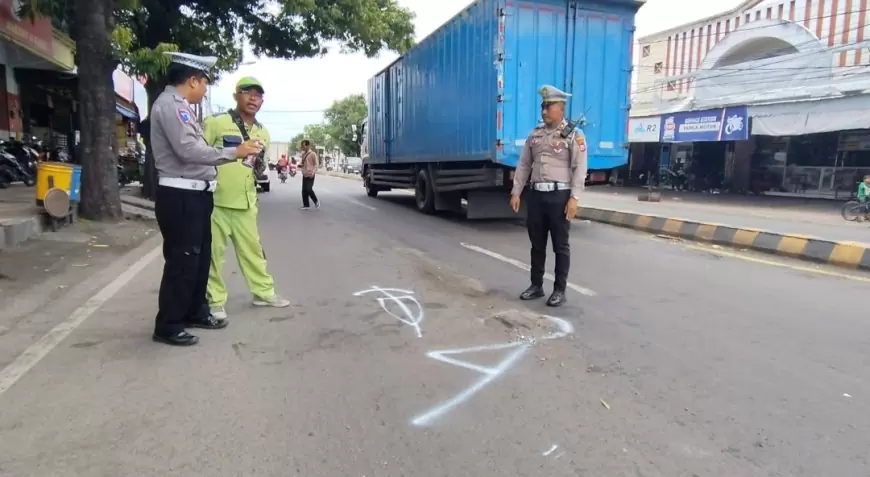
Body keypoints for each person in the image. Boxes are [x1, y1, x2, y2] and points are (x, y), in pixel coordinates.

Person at [150, 52, 264, 346]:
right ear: (192, 80)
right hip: (180, 194)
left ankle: (194, 311)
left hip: (196, 194)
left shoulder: (183, 108)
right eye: (204, 82)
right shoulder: (172, 108)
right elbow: (188, 151)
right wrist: (233, 152)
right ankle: (169, 323)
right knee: (183, 261)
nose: (205, 88)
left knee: (199, 260)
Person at [202, 76, 291, 319]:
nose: (253, 98)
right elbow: (198, 153)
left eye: (258, 94)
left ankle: (263, 293)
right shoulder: (217, 123)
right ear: (235, 96)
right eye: (247, 92)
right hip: (215, 202)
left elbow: (258, 166)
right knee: (214, 255)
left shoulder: (263, 132)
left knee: (253, 252)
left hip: (246, 202)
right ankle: (215, 300)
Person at [509, 84, 587, 307]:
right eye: (543, 106)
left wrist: (574, 198)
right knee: (537, 244)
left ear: (561, 108)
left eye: (549, 106)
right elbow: (524, 164)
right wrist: (517, 191)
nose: (544, 111)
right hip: (536, 196)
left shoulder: (574, 134)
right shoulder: (535, 134)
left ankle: (559, 290)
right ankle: (536, 285)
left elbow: (579, 168)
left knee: (560, 245)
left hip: (559, 196)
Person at [300, 140, 320, 209]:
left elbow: (316, 164)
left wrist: (313, 171)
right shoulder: (303, 154)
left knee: (308, 189)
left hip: (311, 174)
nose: (302, 147)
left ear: (308, 146)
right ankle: (306, 205)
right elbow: (303, 163)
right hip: (305, 173)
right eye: (302, 146)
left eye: (304, 146)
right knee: (304, 190)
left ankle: (316, 201)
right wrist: (300, 165)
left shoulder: (313, 154)